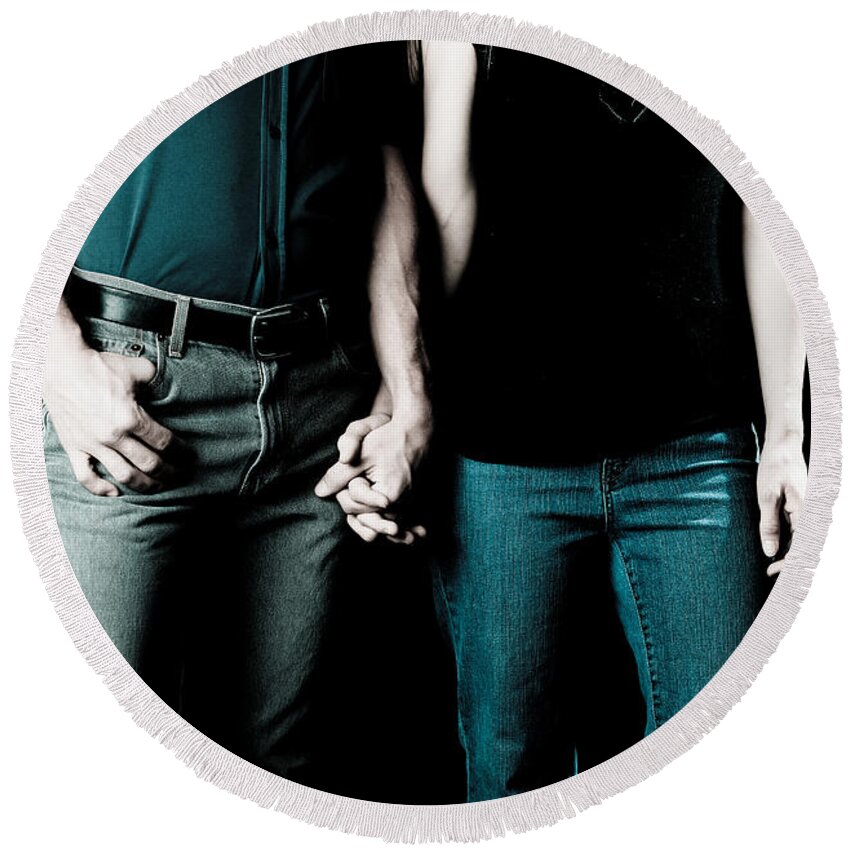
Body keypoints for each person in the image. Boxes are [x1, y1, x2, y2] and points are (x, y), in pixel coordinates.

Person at [319, 41, 808, 802]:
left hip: (696, 451)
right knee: (513, 769)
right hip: (501, 458)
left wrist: (786, 435)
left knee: (719, 759)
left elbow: (770, 204)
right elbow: (445, 208)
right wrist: (398, 404)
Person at [42, 42, 431, 790]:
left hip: (324, 405)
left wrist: (410, 399)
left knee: (287, 766)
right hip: (131, 390)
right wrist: (53, 356)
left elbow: (384, 164)